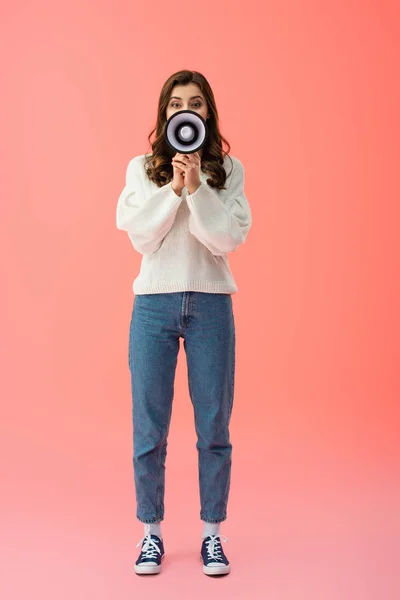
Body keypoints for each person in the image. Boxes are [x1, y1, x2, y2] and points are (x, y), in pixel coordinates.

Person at [116, 70, 252, 576]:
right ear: (165, 114)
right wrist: (173, 187)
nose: (185, 112)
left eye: (194, 103)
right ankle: (150, 533)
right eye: (175, 104)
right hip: (153, 304)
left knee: (213, 424)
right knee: (149, 427)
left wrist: (198, 187)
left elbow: (225, 240)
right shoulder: (142, 169)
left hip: (212, 304)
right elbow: (141, 238)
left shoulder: (229, 170)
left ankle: (212, 534)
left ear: (208, 113)